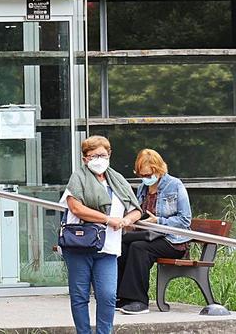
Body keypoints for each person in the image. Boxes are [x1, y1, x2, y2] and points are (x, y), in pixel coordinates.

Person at [61, 136, 141, 334]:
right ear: (85, 159)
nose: (98, 159)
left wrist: (127, 220)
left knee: (107, 295)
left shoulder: (118, 180)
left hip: (109, 247)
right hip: (80, 245)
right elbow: (76, 207)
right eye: (93, 155)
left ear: (109, 154)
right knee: (80, 296)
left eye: (102, 155)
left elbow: (136, 209)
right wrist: (107, 220)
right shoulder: (78, 177)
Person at [116, 148, 192, 315]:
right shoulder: (142, 188)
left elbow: (185, 220)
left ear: (158, 170)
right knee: (121, 245)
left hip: (173, 240)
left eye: (149, 174)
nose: (146, 179)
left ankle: (139, 301)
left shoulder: (175, 185)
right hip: (149, 236)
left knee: (139, 248)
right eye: (142, 175)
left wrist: (159, 221)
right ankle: (123, 297)